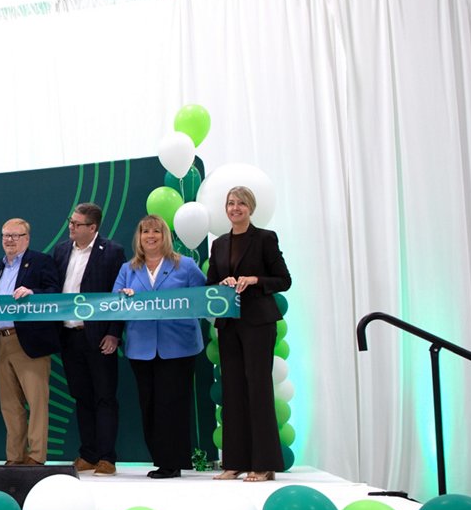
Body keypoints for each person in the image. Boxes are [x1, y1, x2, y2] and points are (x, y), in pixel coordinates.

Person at [206, 185, 292, 483]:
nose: (235, 208)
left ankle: (264, 464)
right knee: (232, 392)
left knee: (258, 390)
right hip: (229, 324)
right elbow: (210, 285)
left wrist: (254, 279)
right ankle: (234, 462)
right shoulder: (218, 244)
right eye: (230, 203)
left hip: (258, 323)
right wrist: (223, 282)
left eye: (241, 203)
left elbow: (284, 280)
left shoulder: (265, 239)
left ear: (251, 208)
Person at [112, 215, 206, 479]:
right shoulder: (127, 269)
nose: (150, 236)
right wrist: (123, 298)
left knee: (173, 405)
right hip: (141, 348)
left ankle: (173, 462)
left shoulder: (185, 266)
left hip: (179, 347)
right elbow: (114, 301)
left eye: (156, 231)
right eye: (145, 231)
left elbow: (204, 298)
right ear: (139, 238)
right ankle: (160, 458)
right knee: (150, 405)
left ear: (165, 235)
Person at [53, 203, 126, 475]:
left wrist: (114, 333)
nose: (71, 227)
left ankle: (107, 457)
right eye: (71, 222)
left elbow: (119, 296)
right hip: (69, 336)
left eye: (77, 224)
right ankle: (88, 453)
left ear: (93, 227)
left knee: (105, 397)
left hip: (99, 337)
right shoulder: (61, 250)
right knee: (81, 396)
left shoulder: (112, 252)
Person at [0, 218, 60, 465]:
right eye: (5, 235)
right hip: (1, 341)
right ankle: (14, 457)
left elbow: (55, 293)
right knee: (9, 405)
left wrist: (33, 293)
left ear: (27, 238)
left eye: (15, 236)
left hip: (29, 341)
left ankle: (36, 456)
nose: (9, 240)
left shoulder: (41, 262)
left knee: (36, 402)